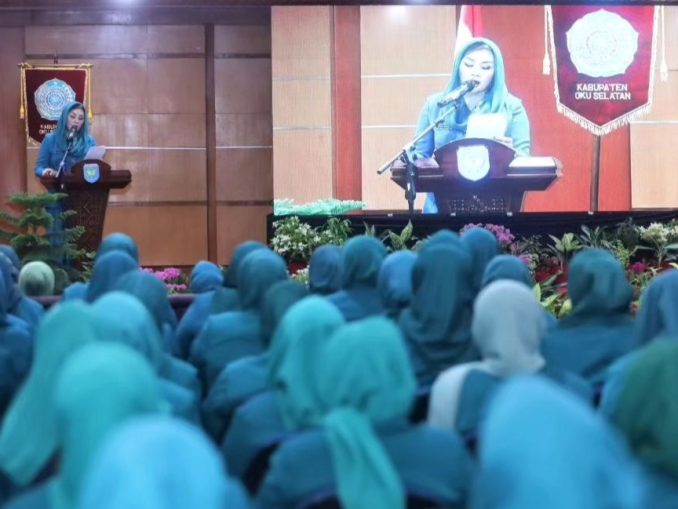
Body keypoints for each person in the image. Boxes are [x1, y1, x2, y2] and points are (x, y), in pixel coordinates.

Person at [412, 38, 530, 213]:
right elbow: (419, 155)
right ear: (458, 67)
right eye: (469, 65)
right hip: (440, 205)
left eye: (485, 67)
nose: (475, 73)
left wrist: (509, 153)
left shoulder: (512, 107)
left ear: (495, 72)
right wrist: (414, 159)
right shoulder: (436, 105)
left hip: (495, 205)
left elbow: (524, 159)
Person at [35, 101, 95, 179]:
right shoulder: (50, 139)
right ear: (65, 117)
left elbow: (94, 167)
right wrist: (46, 172)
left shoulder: (89, 141)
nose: (76, 121)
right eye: (72, 117)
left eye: (80, 118)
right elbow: (39, 168)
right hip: (57, 185)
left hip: (81, 184)